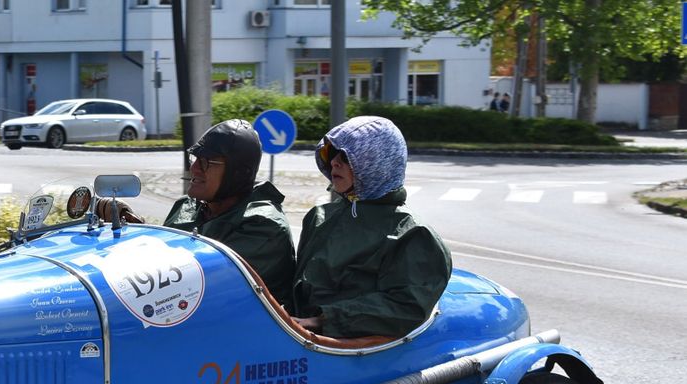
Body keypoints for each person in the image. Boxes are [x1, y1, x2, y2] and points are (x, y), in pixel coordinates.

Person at [289, 115, 452, 340]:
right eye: (331, 153)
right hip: (296, 337)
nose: (334, 162)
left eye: (345, 156)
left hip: (347, 352)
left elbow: (406, 307)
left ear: (377, 163)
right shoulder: (320, 217)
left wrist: (322, 321)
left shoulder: (414, 235)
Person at [102, 119, 295, 302]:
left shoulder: (263, 225)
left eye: (206, 162)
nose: (193, 168)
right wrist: (134, 229)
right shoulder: (186, 207)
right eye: (195, 159)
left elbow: (201, 281)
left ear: (237, 173)